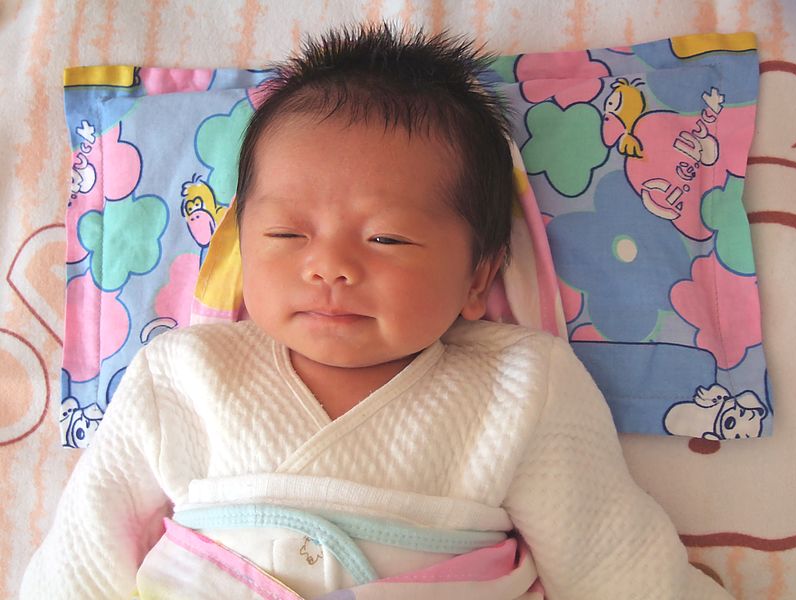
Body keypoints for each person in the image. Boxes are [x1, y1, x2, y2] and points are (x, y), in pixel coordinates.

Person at [22, 22, 732, 599]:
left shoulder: (521, 384)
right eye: (286, 234)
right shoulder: (183, 370)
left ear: (478, 273)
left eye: (387, 237)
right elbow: (89, 543)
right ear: (243, 244)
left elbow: (606, 552)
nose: (329, 264)